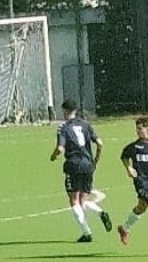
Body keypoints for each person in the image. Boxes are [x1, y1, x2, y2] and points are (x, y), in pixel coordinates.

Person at [52, 99, 111, 242]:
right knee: (83, 200)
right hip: (88, 164)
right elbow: (100, 143)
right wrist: (95, 159)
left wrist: (53, 156)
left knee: (74, 200)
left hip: (73, 165)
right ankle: (101, 212)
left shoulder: (63, 127)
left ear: (65, 111)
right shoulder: (86, 125)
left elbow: (60, 149)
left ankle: (87, 233)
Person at [118, 117, 148, 245]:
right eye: (137, 128)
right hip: (141, 180)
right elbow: (124, 156)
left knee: (141, 207)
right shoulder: (134, 146)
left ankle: (124, 228)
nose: (138, 131)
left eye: (140, 128)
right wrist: (128, 168)